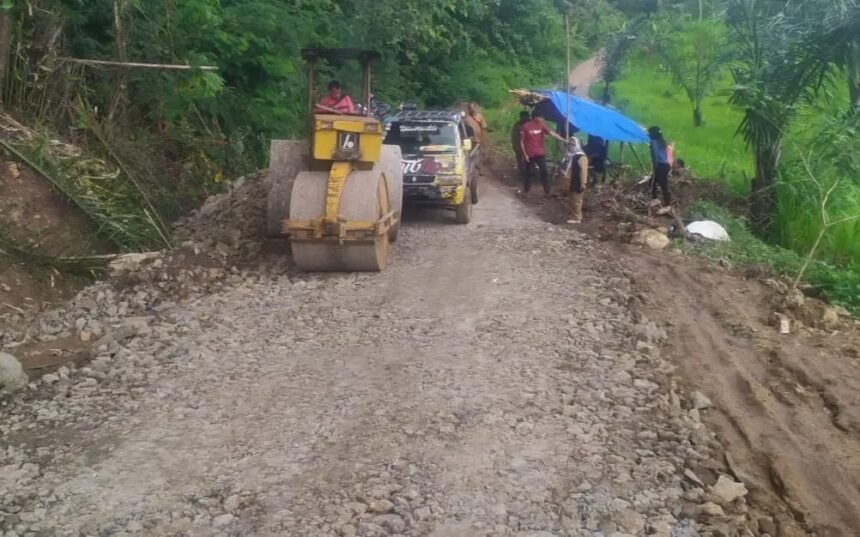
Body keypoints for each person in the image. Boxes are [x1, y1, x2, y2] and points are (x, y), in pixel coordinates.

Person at [520, 110, 566, 195]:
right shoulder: (526, 126)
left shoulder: (541, 125)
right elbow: (521, 141)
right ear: (535, 117)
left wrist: (563, 140)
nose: (542, 119)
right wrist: (525, 154)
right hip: (529, 154)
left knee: (544, 171)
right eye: (541, 117)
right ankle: (526, 190)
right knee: (529, 172)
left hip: (540, 153)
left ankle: (547, 191)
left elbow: (551, 133)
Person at [565, 138, 589, 224]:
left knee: (577, 200)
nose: (571, 146)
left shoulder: (581, 157)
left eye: (573, 144)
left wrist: (583, 183)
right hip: (572, 180)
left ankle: (577, 217)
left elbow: (584, 171)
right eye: (569, 144)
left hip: (578, 181)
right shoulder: (571, 156)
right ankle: (573, 215)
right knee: (572, 199)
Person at [648, 126, 672, 213]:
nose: (648, 135)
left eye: (649, 133)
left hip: (660, 165)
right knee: (653, 181)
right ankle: (655, 199)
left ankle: (667, 205)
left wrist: (655, 166)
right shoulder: (662, 141)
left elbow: (655, 155)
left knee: (663, 185)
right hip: (666, 165)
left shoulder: (654, 142)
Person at [464, 103, 488, 174]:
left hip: (478, 140)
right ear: (468, 109)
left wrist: (483, 139)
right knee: (469, 155)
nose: (472, 109)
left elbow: (483, 128)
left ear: (475, 108)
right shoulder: (466, 118)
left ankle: (480, 169)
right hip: (469, 140)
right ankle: (469, 170)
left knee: (480, 154)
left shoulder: (480, 116)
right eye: (470, 108)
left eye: (473, 108)